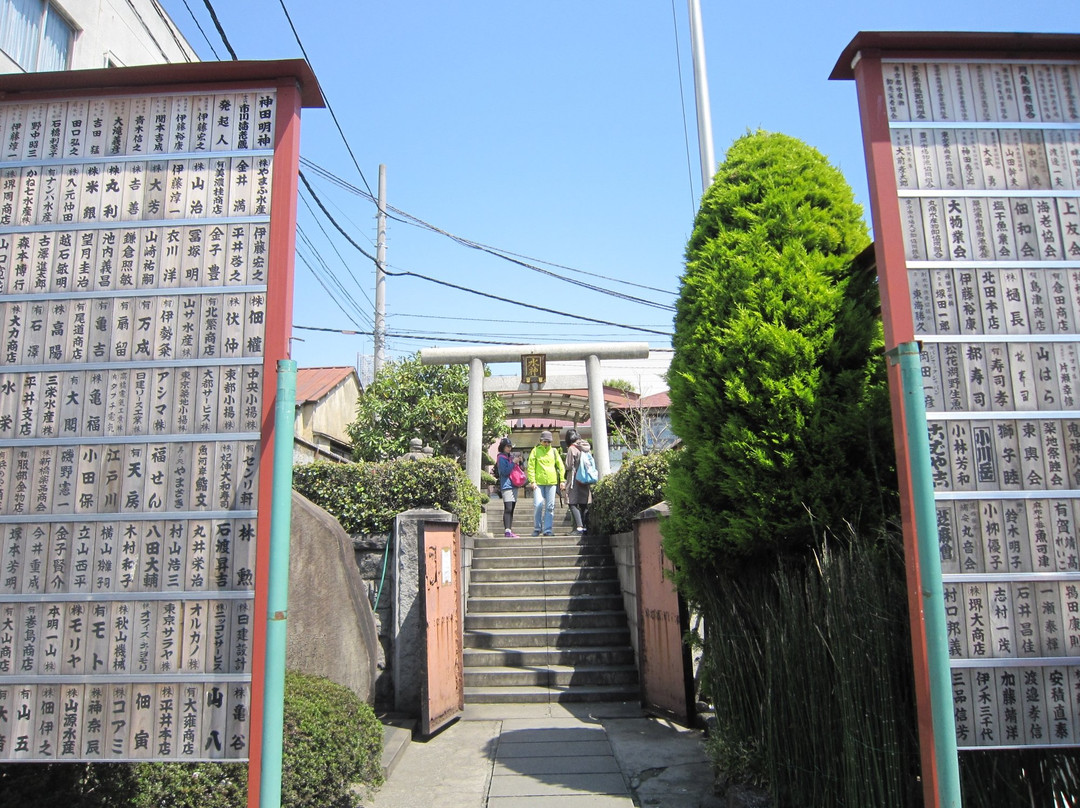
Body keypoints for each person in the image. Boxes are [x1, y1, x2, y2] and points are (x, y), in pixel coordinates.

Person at [526, 430, 565, 536]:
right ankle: (537, 528)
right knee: (538, 504)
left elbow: (560, 466)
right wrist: (532, 481)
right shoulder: (535, 451)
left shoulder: (554, 451)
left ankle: (548, 529)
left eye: (548, 442)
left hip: (551, 482)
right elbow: (531, 466)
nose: (547, 443)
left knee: (550, 506)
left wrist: (562, 480)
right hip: (538, 483)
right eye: (545, 441)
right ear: (540, 441)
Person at [564, 432, 592, 533]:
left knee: (572, 502)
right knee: (584, 504)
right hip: (585, 479)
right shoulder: (585, 447)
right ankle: (585, 527)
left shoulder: (572, 448)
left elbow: (568, 465)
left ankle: (579, 527)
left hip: (575, 479)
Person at [494, 438, 520, 538]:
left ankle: (509, 530)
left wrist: (517, 462)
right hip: (506, 486)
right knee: (508, 508)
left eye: (510, 447)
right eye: (507, 446)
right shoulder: (501, 458)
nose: (509, 448)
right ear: (503, 447)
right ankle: (507, 530)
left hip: (513, 485)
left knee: (512, 508)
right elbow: (504, 472)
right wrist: (513, 462)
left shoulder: (509, 457)